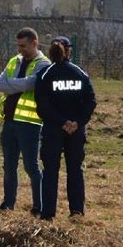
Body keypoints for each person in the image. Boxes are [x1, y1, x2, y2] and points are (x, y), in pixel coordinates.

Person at [34, 36, 96, 221]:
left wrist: (61, 122)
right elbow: (91, 101)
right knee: (75, 170)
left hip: (53, 129)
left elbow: (42, 105)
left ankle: (48, 214)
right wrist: (77, 122)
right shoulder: (80, 73)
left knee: (50, 171)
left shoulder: (45, 74)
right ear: (68, 50)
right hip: (76, 131)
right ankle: (77, 211)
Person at [0, 27, 50, 214]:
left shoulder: (43, 63)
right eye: (18, 45)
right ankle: (8, 203)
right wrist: (17, 85)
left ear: (35, 43)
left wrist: (11, 85)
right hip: (9, 122)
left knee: (31, 166)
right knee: (8, 166)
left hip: (29, 123)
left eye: (23, 46)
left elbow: (31, 84)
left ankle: (38, 206)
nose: (20, 49)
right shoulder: (14, 61)